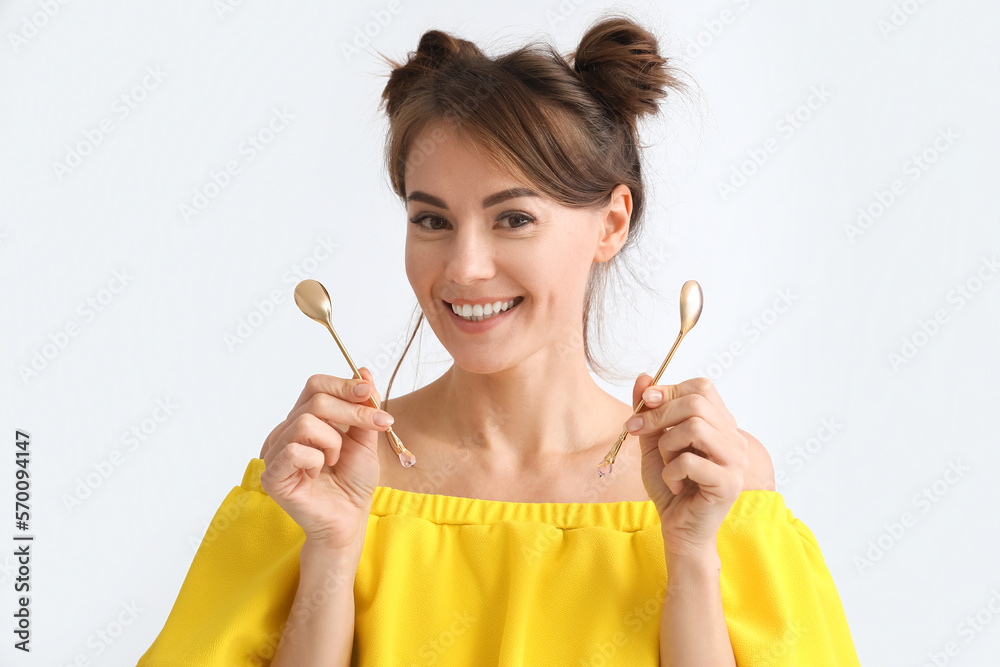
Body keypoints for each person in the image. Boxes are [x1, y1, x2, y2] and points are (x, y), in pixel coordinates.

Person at [137, 12, 860, 666]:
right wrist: (330, 550)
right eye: (432, 220)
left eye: (513, 218)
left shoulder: (711, 482)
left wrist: (693, 554)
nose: (464, 267)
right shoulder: (318, 479)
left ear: (610, 224)